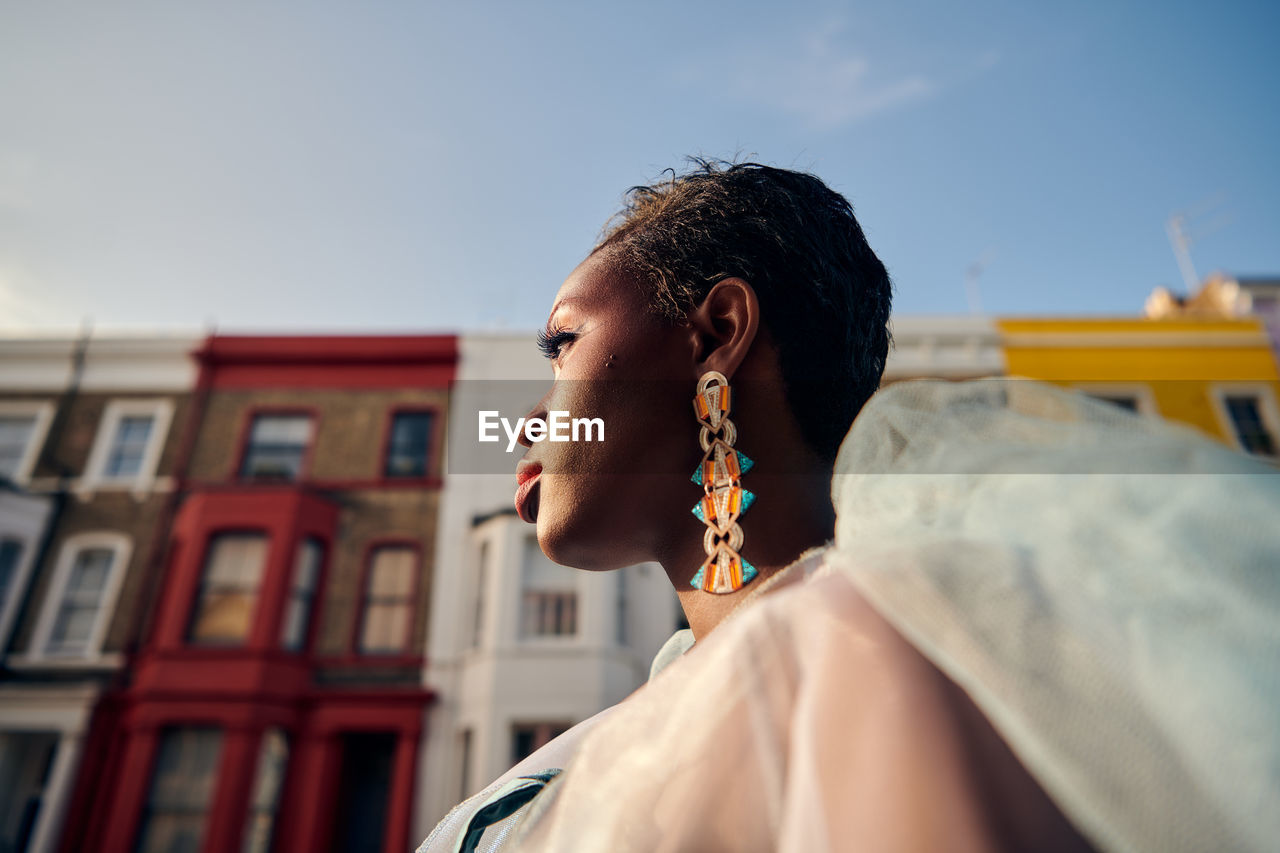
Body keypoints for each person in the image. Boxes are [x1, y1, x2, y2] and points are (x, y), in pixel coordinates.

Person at [421, 161, 1280, 852]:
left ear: (718, 331)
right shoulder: (569, 776)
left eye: (563, 345)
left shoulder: (892, 647)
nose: (529, 415)